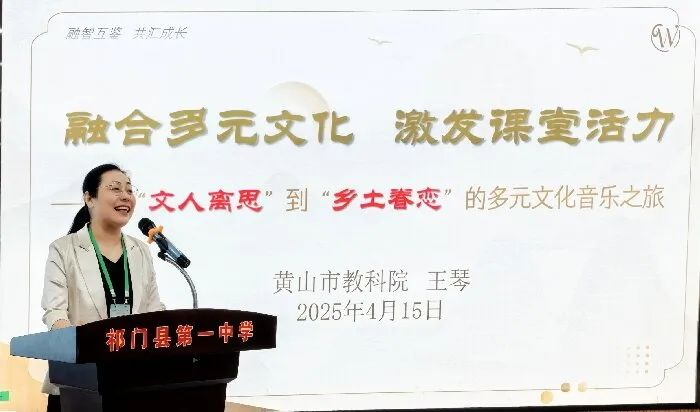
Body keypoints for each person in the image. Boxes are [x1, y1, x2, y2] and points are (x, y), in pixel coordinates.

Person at [41, 163, 166, 411]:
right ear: (89, 198)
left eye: (129, 190)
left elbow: (153, 310)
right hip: (78, 383)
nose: (125, 196)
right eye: (115, 189)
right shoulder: (63, 249)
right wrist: (81, 349)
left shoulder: (141, 250)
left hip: (133, 383)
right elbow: (55, 313)